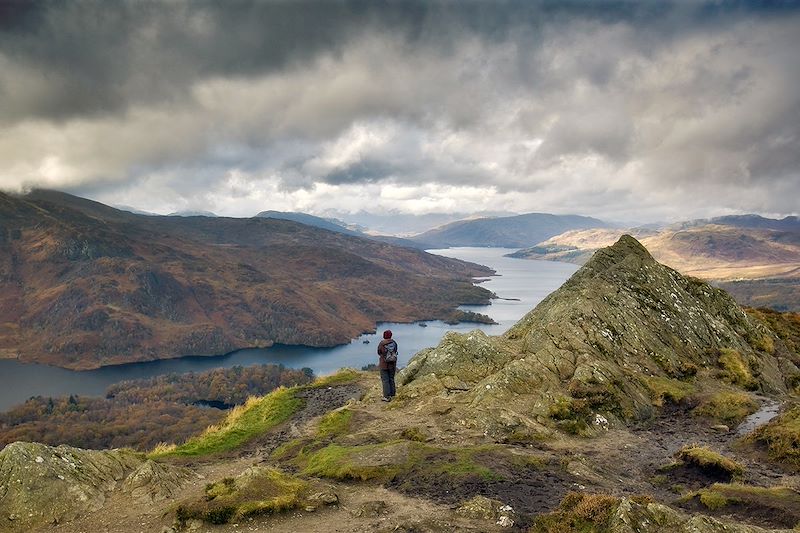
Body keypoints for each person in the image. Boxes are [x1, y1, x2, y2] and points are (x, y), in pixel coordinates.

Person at [377, 329, 398, 401]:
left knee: (385, 380)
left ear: (384, 336)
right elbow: (395, 351)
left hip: (384, 365)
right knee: (391, 379)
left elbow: (379, 352)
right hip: (392, 364)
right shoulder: (394, 342)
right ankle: (393, 395)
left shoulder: (382, 343)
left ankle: (386, 397)